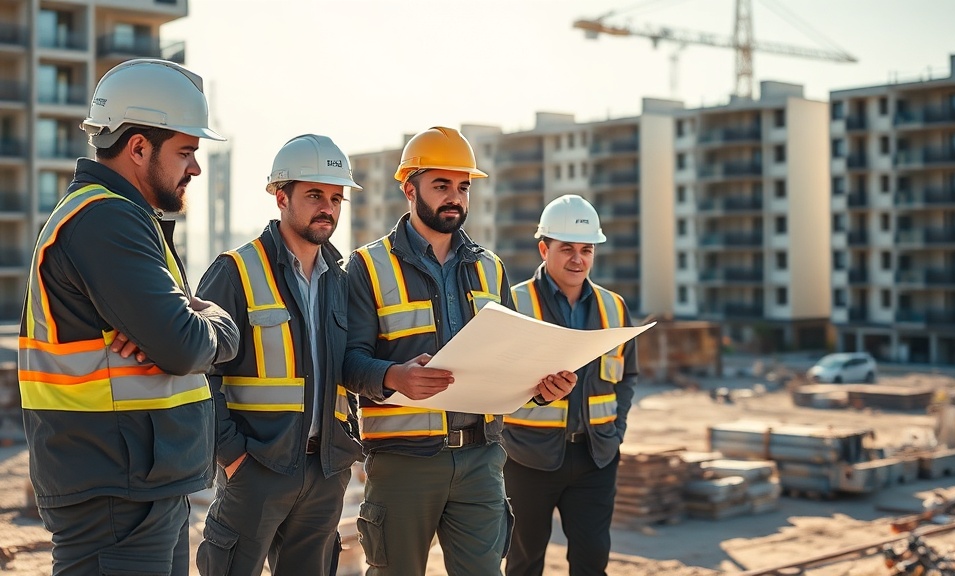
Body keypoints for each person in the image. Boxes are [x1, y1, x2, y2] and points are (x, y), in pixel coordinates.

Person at [18, 58, 238, 575]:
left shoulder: (127, 217)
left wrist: (195, 328)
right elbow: (183, 344)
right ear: (138, 147)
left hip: (139, 482)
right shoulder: (105, 219)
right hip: (115, 491)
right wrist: (210, 328)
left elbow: (180, 340)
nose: (195, 168)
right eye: (186, 151)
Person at [344, 126, 577, 576]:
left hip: (481, 461)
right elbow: (347, 363)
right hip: (403, 462)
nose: (455, 197)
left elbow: (511, 362)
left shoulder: (490, 268)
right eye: (442, 185)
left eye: (463, 187)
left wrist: (543, 388)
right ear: (409, 188)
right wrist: (395, 377)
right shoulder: (367, 266)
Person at [194, 134, 364, 575]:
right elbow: (198, 374)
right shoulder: (235, 272)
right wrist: (232, 457)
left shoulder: (340, 281)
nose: (327, 207)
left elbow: (350, 365)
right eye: (313, 195)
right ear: (281, 196)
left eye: (335, 197)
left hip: (325, 471)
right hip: (257, 468)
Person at [503, 194, 639, 576]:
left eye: (586, 249)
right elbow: (495, 383)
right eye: (567, 249)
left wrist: (616, 433)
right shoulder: (514, 304)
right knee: (524, 562)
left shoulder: (615, 308)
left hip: (596, 458)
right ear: (544, 248)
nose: (578, 259)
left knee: (593, 561)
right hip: (527, 459)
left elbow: (627, 377)